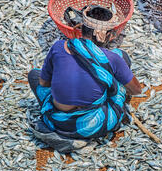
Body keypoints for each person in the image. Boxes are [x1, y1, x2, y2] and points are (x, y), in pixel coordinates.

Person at [28, 9, 142, 153]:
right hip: (93, 125)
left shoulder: (58, 47)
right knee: (122, 60)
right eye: (110, 33)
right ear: (103, 34)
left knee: (34, 75)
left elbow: (44, 84)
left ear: (82, 28)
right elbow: (137, 90)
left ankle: (58, 134)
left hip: (56, 119)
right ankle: (76, 137)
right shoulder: (112, 58)